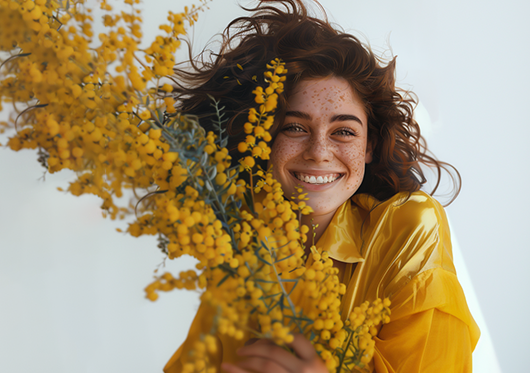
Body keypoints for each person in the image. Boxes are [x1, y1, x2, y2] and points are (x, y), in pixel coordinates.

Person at [164, 1, 479, 372]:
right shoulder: (243, 241)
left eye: (343, 131)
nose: (318, 153)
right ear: (264, 139)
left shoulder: (410, 227)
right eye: (295, 127)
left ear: (369, 146)